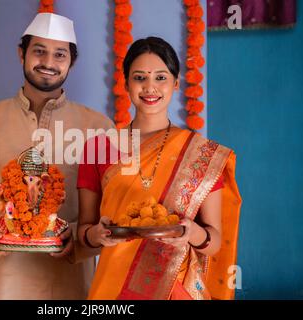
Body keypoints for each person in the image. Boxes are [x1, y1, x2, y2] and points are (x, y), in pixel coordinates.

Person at [0, 13, 114, 299]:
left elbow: (113, 206)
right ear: (22, 53)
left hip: (66, 285)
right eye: (39, 51)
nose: (48, 63)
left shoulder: (98, 128)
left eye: (59, 54)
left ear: (72, 61)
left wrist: (78, 238)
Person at [77, 37, 242, 300]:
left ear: (176, 83)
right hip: (113, 289)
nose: (150, 87)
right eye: (139, 77)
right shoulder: (98, 148)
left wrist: (191, 232)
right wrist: (97, 234)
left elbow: (214, 241)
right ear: (126, 84)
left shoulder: (201, 153)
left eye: (161, 78)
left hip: (176, 287)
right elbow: (83, 232)